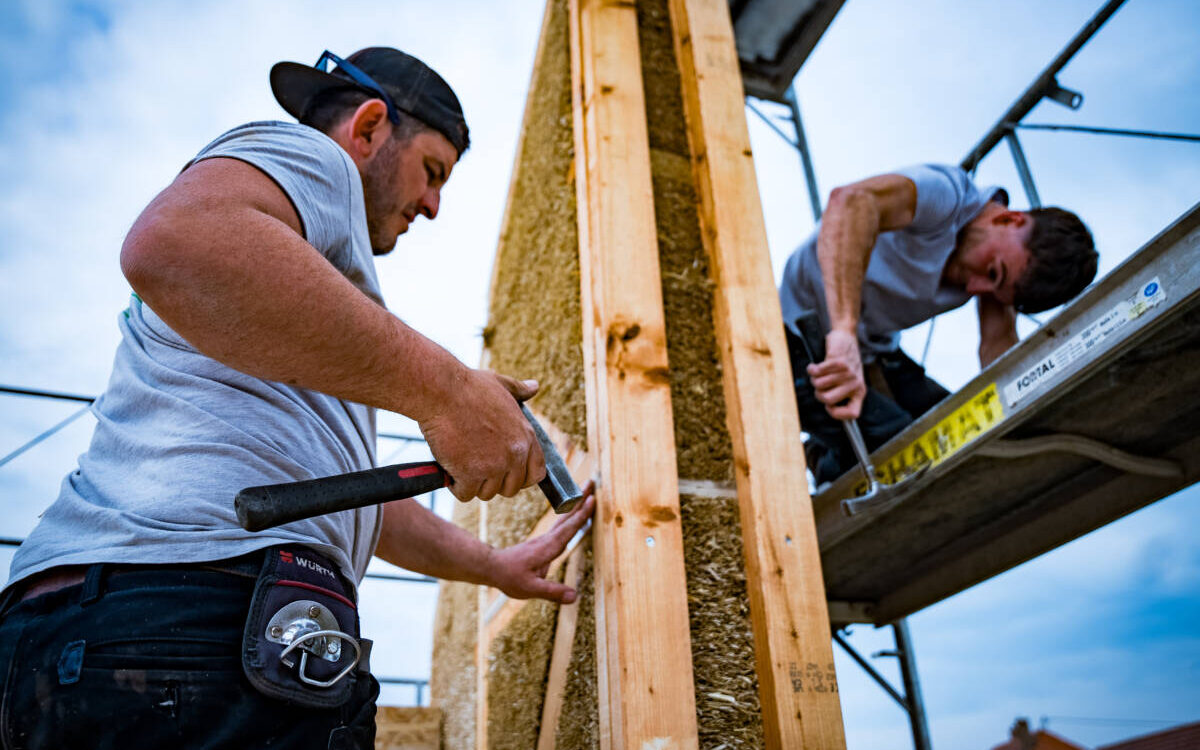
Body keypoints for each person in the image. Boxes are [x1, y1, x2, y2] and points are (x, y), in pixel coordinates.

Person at [0, 47, 593, 749]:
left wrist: (492, 566)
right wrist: (448, 389)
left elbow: (352, 498)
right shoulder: (313, 158)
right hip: (191, 626)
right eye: (432, 172)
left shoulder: (290, 325)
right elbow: (175, 242)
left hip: (100, 636)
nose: (433, 207)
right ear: (370, 127)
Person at [780, 164, 1097, 486]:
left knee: (953, 430)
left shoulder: (1000, 267)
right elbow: (850, 201)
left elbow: (998, 354)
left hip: (872, 349)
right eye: (992, 273)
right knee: (894, 440)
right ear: (1008, 219)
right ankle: (826, 460)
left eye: (995, 292)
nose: (975, 289)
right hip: (797, 331)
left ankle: (843, 441)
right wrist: (843, 330)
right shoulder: (946, 197)